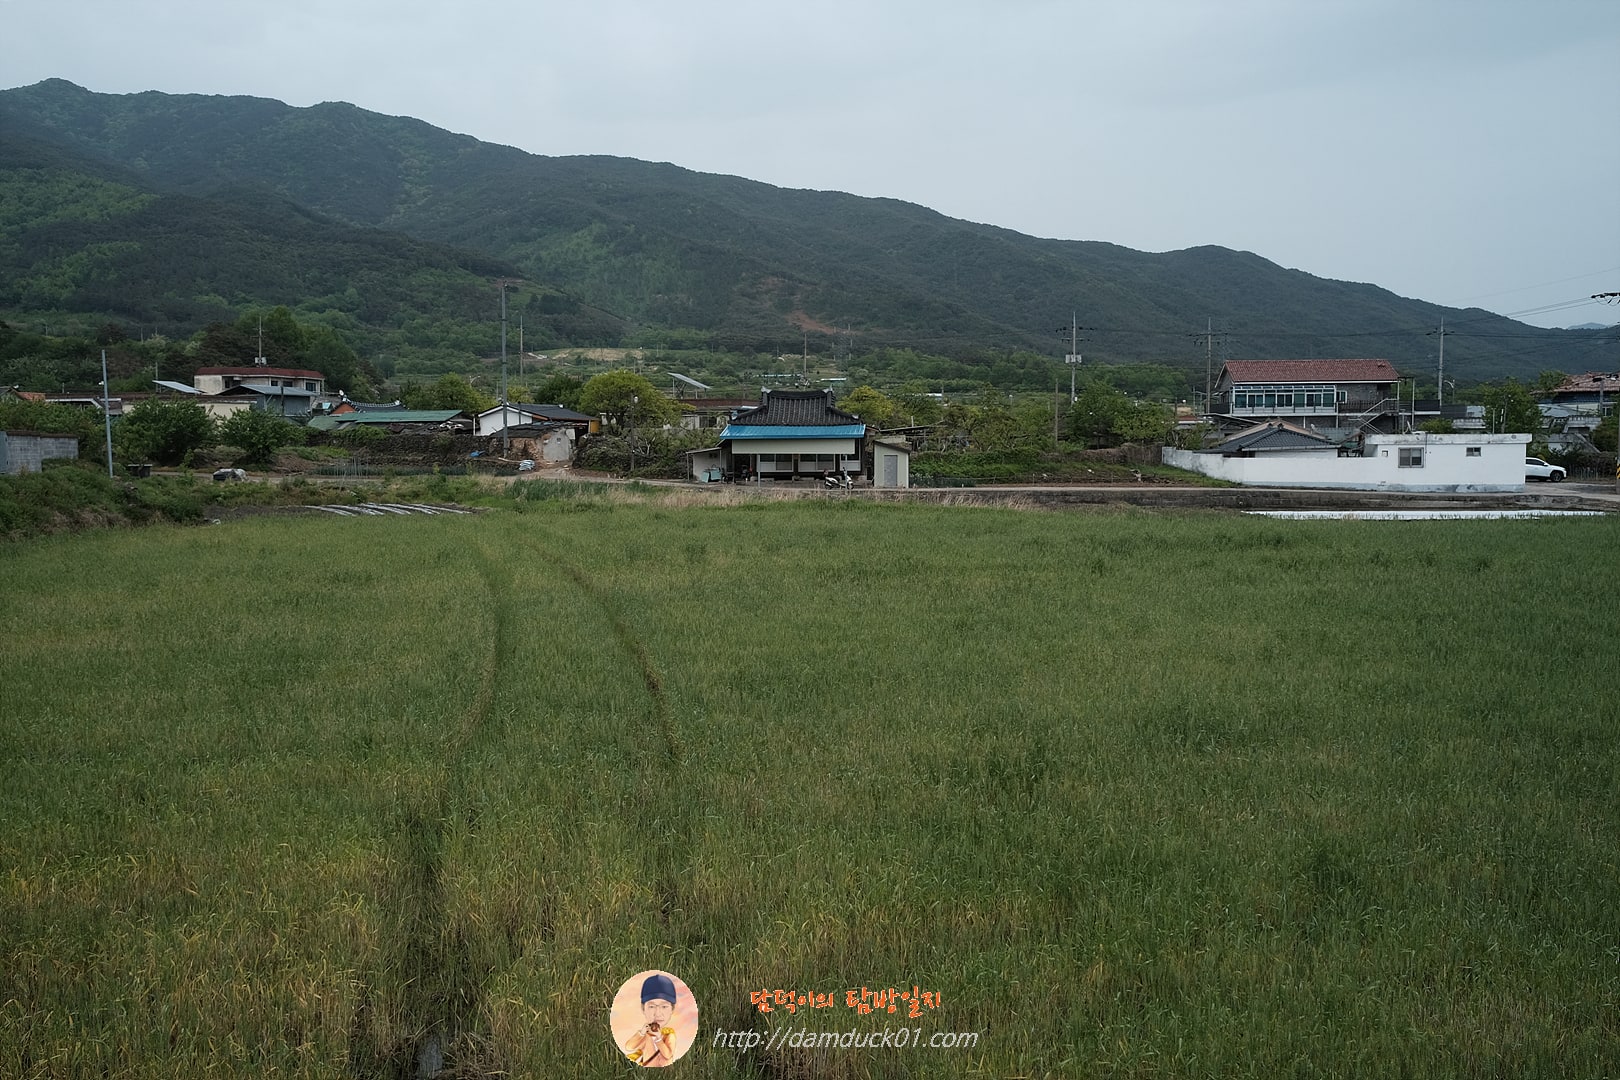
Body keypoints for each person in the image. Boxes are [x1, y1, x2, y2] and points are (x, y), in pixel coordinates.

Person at [624, 973, 678, 1067]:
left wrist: (659, 1039)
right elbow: (629, 1047)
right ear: (643, 1008)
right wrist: (641, 1033)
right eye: (652, 1006)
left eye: (664, 1006)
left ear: (672, 1009)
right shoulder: (647, 1034)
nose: (657, 1013)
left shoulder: (669, 1035)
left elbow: (668, 1055)